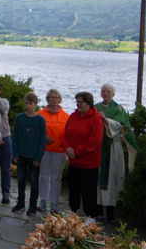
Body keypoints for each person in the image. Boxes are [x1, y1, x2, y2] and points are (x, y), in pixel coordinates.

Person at [96, 83, 138, 223]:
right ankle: (98, 212)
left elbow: (120, 125)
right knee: (98, 179)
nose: (105, 93)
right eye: (103, 91)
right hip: (99, 148)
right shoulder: (96, 107)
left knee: (112, 179)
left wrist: (105, 120)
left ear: (113, 94)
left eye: (108, 91)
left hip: (113, 148)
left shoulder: (118, 109)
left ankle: (111, 214)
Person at [63, 91, 104, 220]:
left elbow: (94, 141)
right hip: (74, 162)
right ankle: (73, 212)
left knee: (88, 191)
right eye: (77, 102)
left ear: (89, 104)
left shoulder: (96, 119)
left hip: (89, 163)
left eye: (81, 102)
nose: (78, 105)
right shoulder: (73, 116)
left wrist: (77, 151)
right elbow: (65, 135)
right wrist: (68, 148)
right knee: (73, 189)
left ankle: (90, 215)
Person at [11, 93, 46, 215]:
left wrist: (38, 157)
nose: (29, 106)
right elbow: (14, 137)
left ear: (35, 104)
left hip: (33, 157)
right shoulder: (20, 118)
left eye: (31, 103)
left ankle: (32, 206)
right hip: (21, 155)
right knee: (20, 180)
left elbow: (42, 141)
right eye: (27, 103)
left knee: (34, 182)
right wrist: (15, 154)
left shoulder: (40, 120)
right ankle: (20, 203)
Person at [37, 89, 70, 213]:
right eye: (51, 97)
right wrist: (43, 137)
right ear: (47, 99)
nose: (54, 100)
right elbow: (36, 131)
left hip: (59, 151)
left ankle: (54, 204)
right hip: (44, 150)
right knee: (44, 176)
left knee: (56, 178)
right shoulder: (40, 114)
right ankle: (42, 201)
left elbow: (68, 134)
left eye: (56, 97)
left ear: (60, 99)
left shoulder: (66, 116)